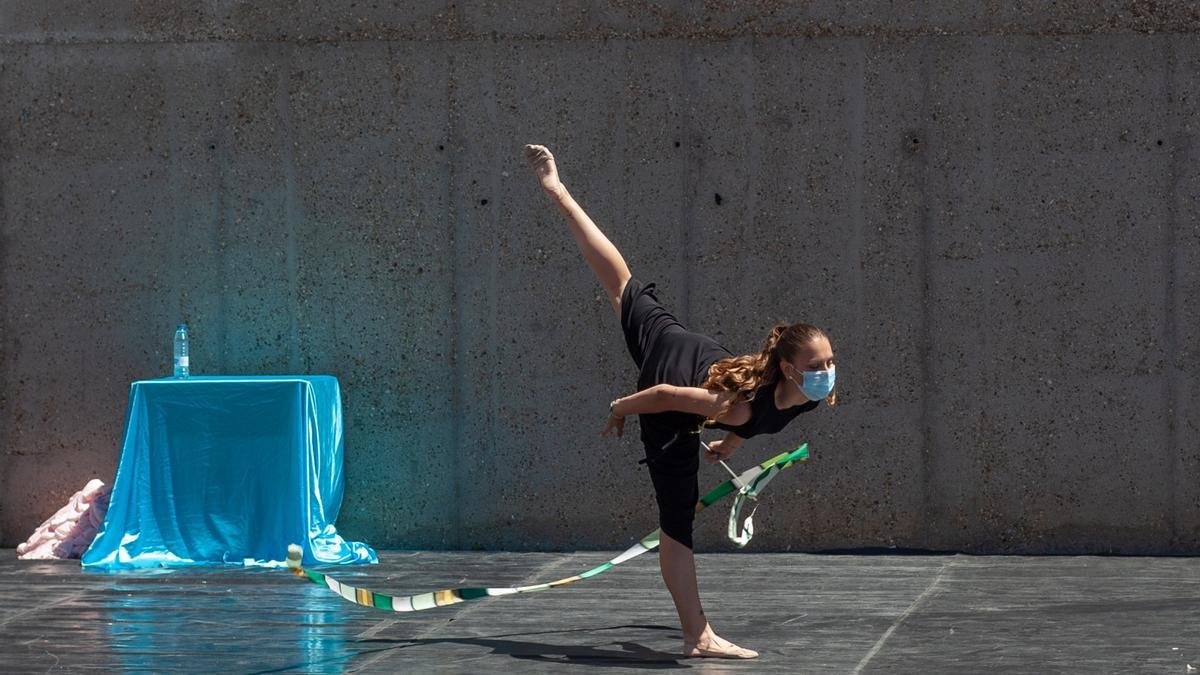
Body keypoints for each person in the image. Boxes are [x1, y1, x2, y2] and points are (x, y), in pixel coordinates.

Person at [524, 144, 836, 659]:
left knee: (622, 286)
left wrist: (731, 447)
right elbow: (669, 395)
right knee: (677, 522)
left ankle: (558, 191)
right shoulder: (740, 403)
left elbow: (756, 421)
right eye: (817, 365)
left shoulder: (802, 394)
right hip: (671, 393)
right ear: (786, 368)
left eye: (829, 363)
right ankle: (698, 635)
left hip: (690, 349)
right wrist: (620, 409)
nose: (827, 373)